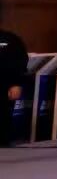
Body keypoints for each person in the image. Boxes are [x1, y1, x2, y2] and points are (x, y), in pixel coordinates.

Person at [0, 16, 27, 148]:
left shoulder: (10, 39)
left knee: (3, 116)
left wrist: (16, 83)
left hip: (4, 86)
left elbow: (20, 61)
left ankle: (3, 144)